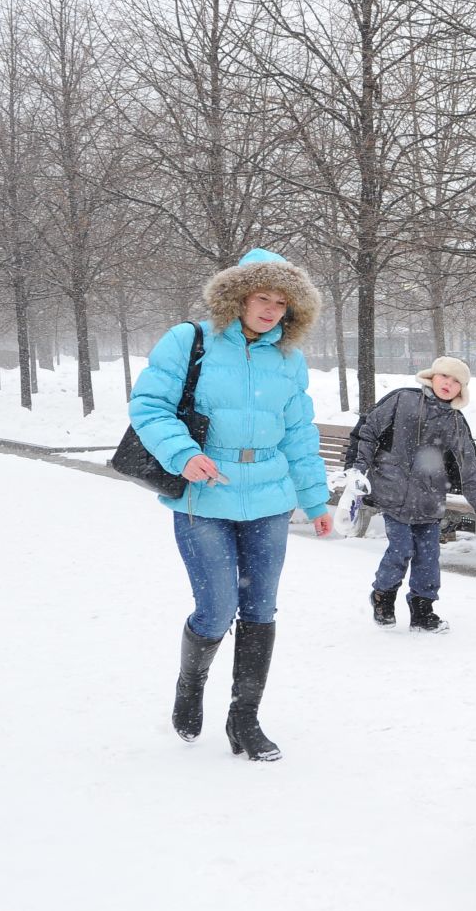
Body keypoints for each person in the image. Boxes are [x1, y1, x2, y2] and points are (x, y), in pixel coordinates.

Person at [129, 247, 334, 762]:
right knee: (218, 608)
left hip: (268, 499)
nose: (270, 310)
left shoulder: (289, 358)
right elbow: (149, 406)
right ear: (238, 296)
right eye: (262, 297)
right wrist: (183, 454)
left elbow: (299, 434)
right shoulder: (190, 340)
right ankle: (190, 682)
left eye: (282, 302)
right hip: (205, 495)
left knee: (261, 609)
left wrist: (315, 499)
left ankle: (245, 718)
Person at [349, 356, 476, 633]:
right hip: (394, 494)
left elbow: (471, 475)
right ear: (431, 376)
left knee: (428, 558)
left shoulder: (455, 423)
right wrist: (356, 470)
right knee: (402, 549)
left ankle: (422, 610)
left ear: (461, 390)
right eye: (444, 376)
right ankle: (383, 595)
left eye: (456, 382)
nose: (448, 384)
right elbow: (367, 432)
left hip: (430, 502)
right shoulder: (402, 400)